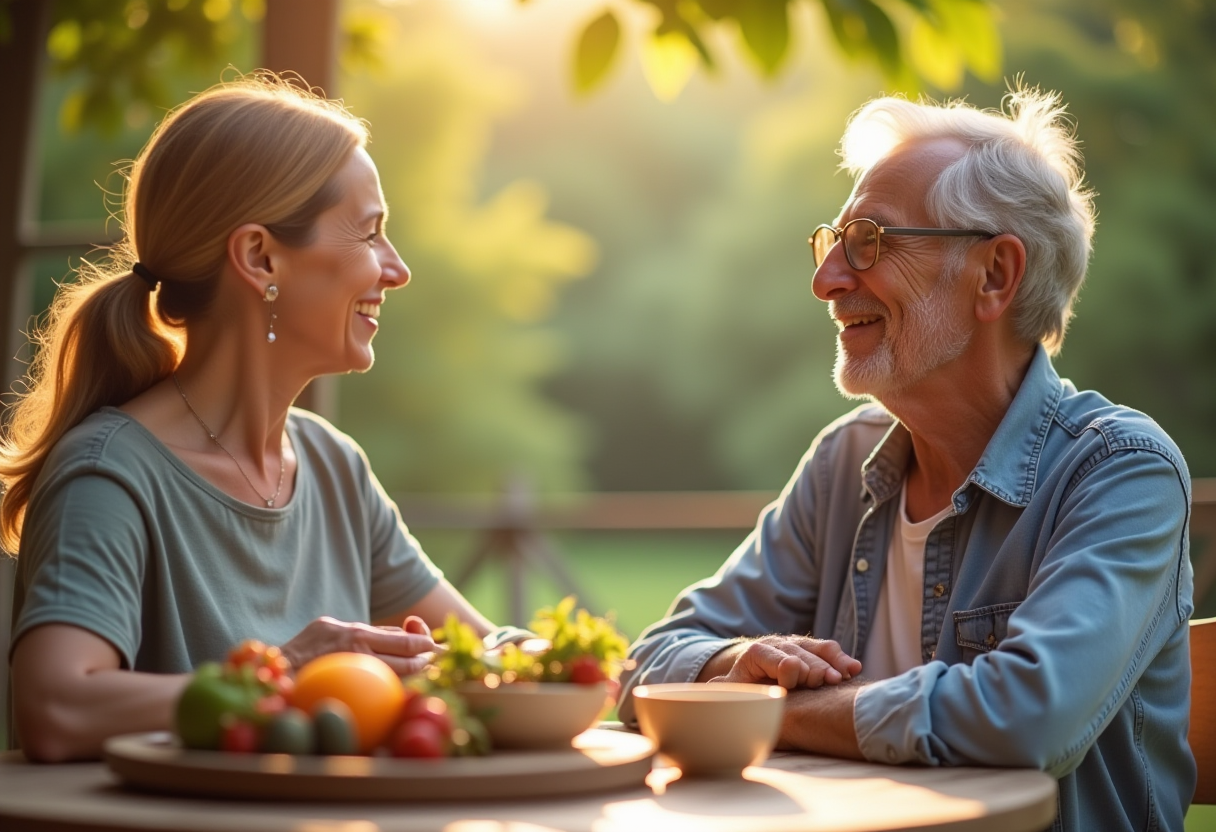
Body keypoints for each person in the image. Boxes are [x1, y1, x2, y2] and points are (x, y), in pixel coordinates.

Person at [617, 88, 1195, 831]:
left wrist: (766, 710)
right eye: (832, 244)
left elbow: (1027, 720)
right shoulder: (843, 463)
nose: (827, 282)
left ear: (993, 275)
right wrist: (737, 667)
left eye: (870, 241)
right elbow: (647, 664)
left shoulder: (1122, 471)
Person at [1, 74, 520, 762]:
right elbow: (56, 706)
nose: (396, 271)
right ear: (259, 257)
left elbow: (481, 652)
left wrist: (648, 670)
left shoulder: (333, 467)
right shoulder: (108, 475)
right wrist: (286, 673)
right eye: (369, 234)